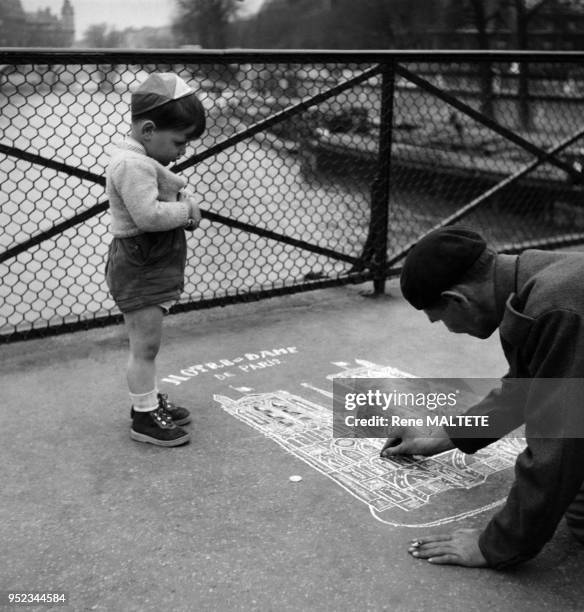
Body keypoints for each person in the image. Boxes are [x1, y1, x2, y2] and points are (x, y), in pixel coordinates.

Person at [380, 226, 584, 569]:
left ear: (458, 299)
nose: (448, 329)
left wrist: (496, 545)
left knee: (577, 511)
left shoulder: (557, 308)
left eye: (441, 319)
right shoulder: (539, 278)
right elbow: (527, 388)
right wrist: (449, 433)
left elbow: (559, 444)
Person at [105, 72, 205, 447]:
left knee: (148, 345)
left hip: (147, 262)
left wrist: (178, 202)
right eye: (179, 141)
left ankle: (146, 401)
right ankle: (144, 418)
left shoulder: (141, 160)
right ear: (148, 130)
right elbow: (147, 216)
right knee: (144, 347)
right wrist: (187, 211)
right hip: (140, 263)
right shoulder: (132, 166)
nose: (182, 151)